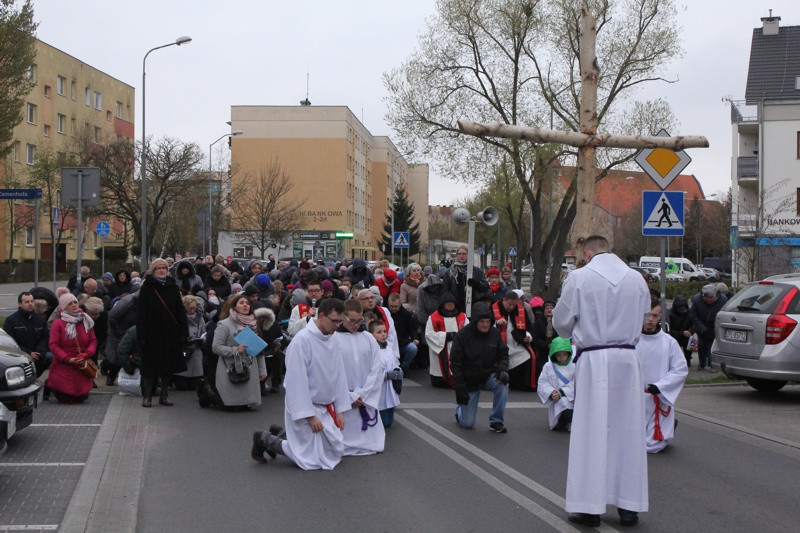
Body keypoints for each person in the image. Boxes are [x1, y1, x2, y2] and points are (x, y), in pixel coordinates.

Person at [552, 235, 651, 527]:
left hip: (595, 360)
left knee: (590, 431)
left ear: (586, 253)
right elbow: (644, 317)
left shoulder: (579, 278)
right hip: (628, 361)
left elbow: (561, 324)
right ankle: (629, 505)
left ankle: (589, 506)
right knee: (628, 431)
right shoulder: (636, 279)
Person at [250, 299, 352, 469]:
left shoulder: (333, 338)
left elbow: (339, 374)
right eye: (334, 321)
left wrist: (340, 409)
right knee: (308, 458)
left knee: (333, 450)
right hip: (307, 406)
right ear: (321, 315)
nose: (337, 325)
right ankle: (263, 438)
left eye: (340, 321)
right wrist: (309, 415)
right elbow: (295, 382)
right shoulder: (302, 340)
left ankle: (279, 432)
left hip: (325, 407)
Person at [635, 302, 688, 454]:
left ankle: (667, 427)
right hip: (633, 398)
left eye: (654, 315)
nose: (650, 319)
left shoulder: (668, 342)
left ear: (660, 317)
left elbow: (680, 369)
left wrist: (662, 386)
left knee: (652, 446)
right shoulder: (631, 340)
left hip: (656, 397)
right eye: (647, 315)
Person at [334, 299, 386, 456]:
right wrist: (349, 396)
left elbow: (377, 368)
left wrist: (363, 394)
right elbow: (331, 372)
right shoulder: (333, 338)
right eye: (352, 320)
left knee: (372, 443)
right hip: (344, 396)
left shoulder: (368, 338)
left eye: (359, 320)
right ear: (343, 317)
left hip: (365, 397)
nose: (356, 325)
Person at [136, 258, 188, 408]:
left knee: (167, 367)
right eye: (158, 268)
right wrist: (141, 335)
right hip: (151, 333)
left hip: (170, 333)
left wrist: (183, 331)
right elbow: (141, 313)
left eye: (164, 268)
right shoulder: (147, 287)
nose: (161, 270)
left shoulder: (173, 287)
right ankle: (147, 395)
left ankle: (164, 394)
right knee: (150, 368)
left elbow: (180, 310)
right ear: (153, 271)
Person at [450, 302, 510, 433]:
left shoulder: (494, 333)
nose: (485, 325)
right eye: (482, 321)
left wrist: (502, 368)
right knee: (468, 424)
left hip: (488, 375)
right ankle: (460, 411)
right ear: (475, 321)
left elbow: (503, 354)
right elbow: (455, 364)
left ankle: (496, 421)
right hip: (469, 380)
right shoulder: (462, 336)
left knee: (502, 383)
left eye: (488, 321)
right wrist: (460, 388)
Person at [212, 293, 268, 410]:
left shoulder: (253, 324)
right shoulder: (224, 324)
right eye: (241, 303)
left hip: (249, 366)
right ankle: (209, 395)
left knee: (245, 406)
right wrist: (235, 350)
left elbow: (259, 350)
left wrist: (262, 371)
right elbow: (216, 347)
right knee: (231, 406)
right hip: (230, 366)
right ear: (234, 306)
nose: (245, 305)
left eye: (247, 303)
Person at [47, 293, 97, 404]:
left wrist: (87, 353)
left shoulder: (86, 321)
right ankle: (49, 385)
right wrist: (67, 359)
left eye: (75, 302)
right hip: (64, 364)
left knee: (80, 398)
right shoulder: (58, 323)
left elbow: (93, 341)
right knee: (67, 399)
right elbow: (53, 345)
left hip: (81, 363)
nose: (74, 305)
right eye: (70, 303)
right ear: (64, 307)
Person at [491, 291, 537, 391]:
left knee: (528, 356)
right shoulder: (493, 308)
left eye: (514, 305)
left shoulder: (521, 310)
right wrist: (496, 323)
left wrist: (528, 337)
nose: (512, 307)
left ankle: (522, 385)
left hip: (516, 345)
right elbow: (485, 325)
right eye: (509, 304)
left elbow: (529, 328)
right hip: (499, 345)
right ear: (504, 300)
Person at [3, 291, 52, 376]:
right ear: (20, 304)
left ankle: (35, 377)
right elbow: (10, 342)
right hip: (20, 355)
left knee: (50, 356)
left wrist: (39, 352)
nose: (30, 304)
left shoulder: (40, 319)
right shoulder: (10, 321)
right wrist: (29, 353)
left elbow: (45, 337)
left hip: (38, 354)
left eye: (32, 301)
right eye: (27, 302)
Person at [425, 293, 467, 388]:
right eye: (447, 303)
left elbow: (468, 332)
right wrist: (446, 336)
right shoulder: (433, 318)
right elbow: (428, 334)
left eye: (452, 303)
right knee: (439, 380)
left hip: (457, 348)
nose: (450, 305)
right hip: (440, 349)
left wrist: (458, 337)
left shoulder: (462, 317)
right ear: (442, 304)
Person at [537, 337, 575, 431]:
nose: (562, 357)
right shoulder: (548, 366)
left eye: (564, 354)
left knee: (564, 402)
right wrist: (551, 393)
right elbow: (542, 382)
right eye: (558, 355)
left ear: (569, 353)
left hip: (572, 399)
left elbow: (577, 383)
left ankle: (572, 423)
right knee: (558, 425)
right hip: (556, 400)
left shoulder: (575, 364)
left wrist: (561, 392)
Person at [369, 319, 401, 428]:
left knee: (389, 421)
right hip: (380, 386)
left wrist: (398, 371)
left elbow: (394, 363)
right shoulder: (372, 350)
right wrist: (385, 376)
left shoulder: (389, 347)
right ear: (371, 335)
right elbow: (372, 370)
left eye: (384, 331)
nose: (383, 334)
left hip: (390, 385)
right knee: (383, 420)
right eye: (379, 332)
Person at [442, 246, 489, 316]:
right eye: (459, 254)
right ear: (457, 255)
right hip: (455, 307)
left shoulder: (477, 271)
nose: (462, 256)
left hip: (473, 306)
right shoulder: (449, 272)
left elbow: (486, 287)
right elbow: (445, 291)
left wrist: (477, 284)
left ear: (468, 255)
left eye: (464, 254)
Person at [690, 284, 728, 372]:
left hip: (715, 326)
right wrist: (703, 330)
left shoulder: (723, 300)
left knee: (712, 347)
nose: (708, 300)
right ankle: (701, 363)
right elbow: (693, 315)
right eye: (706, 298)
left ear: (716, 295)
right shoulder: (696, 299)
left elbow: (723, 316)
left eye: (711, 298)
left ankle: (713, 365)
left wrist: (715, 330)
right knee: (701, 346)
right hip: (701, 326)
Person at [173, 295, 206, 391]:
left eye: (194, 308)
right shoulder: (179, 318)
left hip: (196, 352)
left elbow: (204, 332)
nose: (192, 311)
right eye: (189, 308)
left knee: (194, 386)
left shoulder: (200, 319)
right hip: (183, 353)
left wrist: (202, 340)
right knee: (182, 387)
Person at [386, 293, 419, 374]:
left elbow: (412, 329)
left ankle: (404, 367)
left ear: (400, 304)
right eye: (391, 306)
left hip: (402, 343)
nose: (393, 308)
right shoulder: (385, 313)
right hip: (389, 344)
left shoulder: (406, 314)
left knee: (413, 348)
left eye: (396, 306)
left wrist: (415, 338)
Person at [668, 295, 694, 367]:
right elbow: (669, 330)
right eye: (681, 309)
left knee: (690, 343)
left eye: (684, 309)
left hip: (687, 335)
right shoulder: (670, 314)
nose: (683, 311)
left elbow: (694, 324)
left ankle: (688, 359)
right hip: (675, 336)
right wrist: (682, 333)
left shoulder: (689, 312)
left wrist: (690, 331)